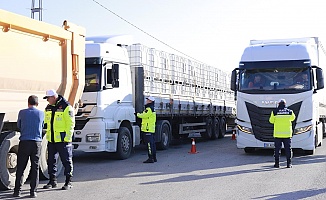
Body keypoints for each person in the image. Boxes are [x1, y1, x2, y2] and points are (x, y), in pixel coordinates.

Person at [42, 89, 75, 190]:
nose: (47, 100)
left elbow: (70, 124)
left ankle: (68, 182)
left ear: (53, 97)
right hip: (52, 139)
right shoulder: (48, 108)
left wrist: (68, 138)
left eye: (48, 98)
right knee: (51, 161)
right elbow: (46, 123)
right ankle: (52, 181)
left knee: (66, 160)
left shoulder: (66, 107)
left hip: (63, 139)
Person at [13, 95, 44, 198]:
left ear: (28, 103)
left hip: (24, 141)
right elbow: (42, 125)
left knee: (21, 167)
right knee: (35, 167)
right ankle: (33, 192)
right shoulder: (41, 113)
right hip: (36, 143)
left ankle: (17, 191)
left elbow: (19, 125)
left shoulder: (22, 112)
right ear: (37, 104)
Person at [269, 99, 296, 168]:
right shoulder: (290, 112)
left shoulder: (274, 112)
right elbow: (293, 119)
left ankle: (277, 164)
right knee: (288, 149)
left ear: (278, 104)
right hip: (287, 134)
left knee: (277, 150)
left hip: (277, 134)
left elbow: (271, 121)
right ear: (285, 104)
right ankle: (289, 164)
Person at [136, 96, 157, 163]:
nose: (146, 101)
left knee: (149, 145)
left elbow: (144, 115)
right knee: (152, 144)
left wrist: (137, 114)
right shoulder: (152, 108)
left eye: (148, 100)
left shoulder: (149, 109)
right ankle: (154, 158)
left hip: (148, 129)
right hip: (151, 129)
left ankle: (150, 158)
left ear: (150, 101)